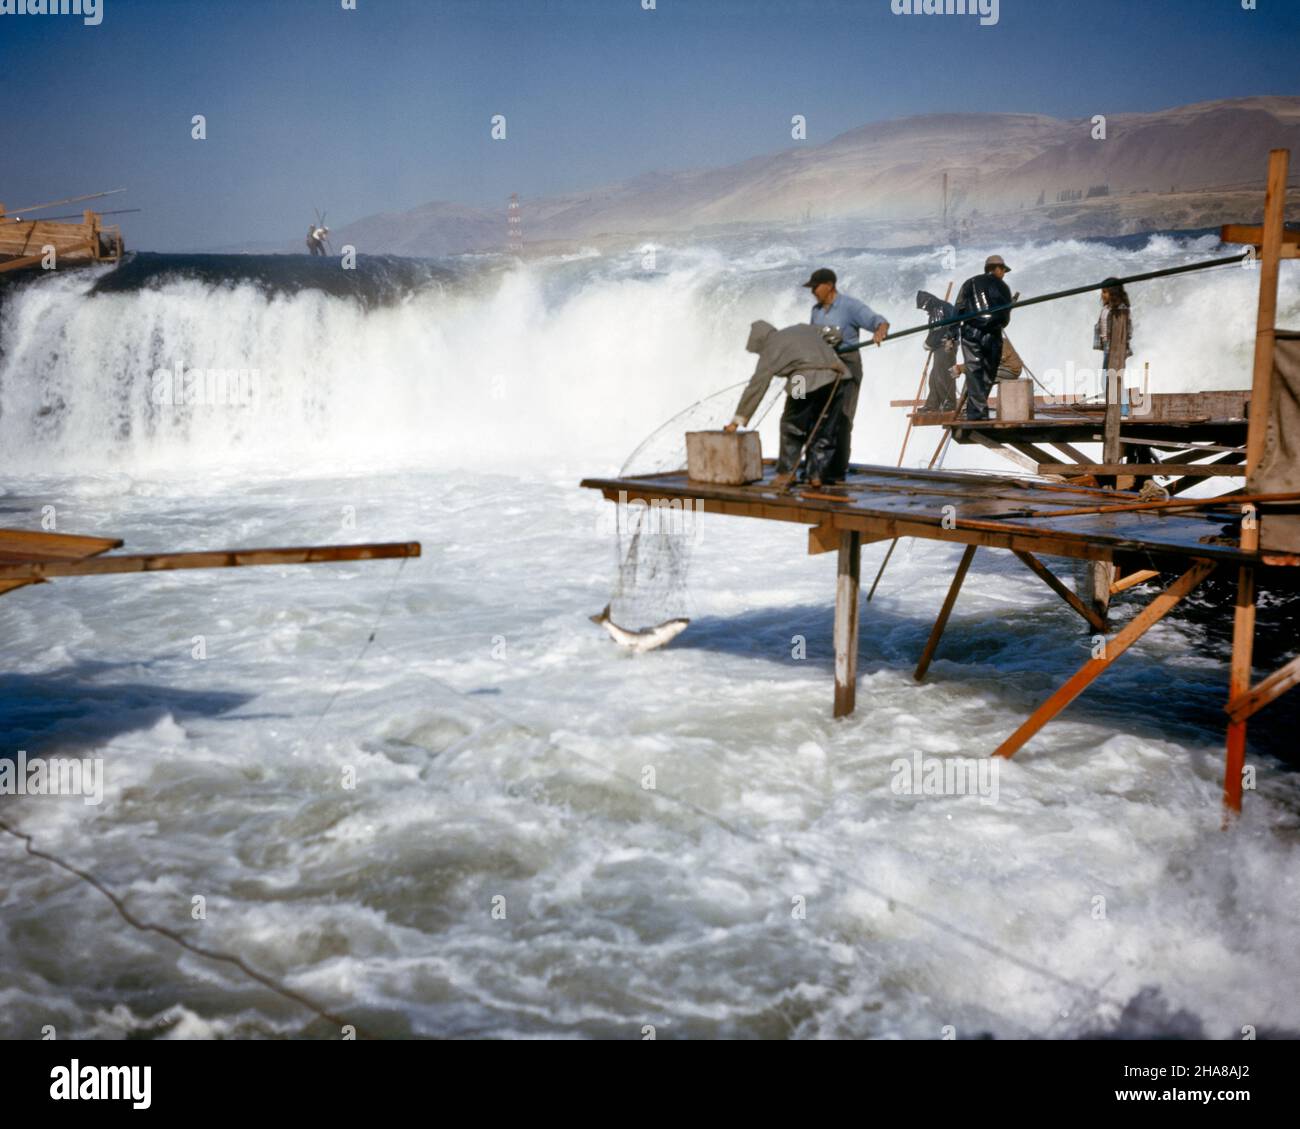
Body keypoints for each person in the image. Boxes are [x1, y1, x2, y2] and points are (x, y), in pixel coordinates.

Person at [723, 320, 849, 488]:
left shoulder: (770, 347)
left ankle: (786, 474)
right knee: (825, 428)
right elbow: (835, 333)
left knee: (792, 424)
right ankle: (816, 475)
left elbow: (757, 386)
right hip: (836, 376)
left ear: (760, 341)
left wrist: (737, 421)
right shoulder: (802, 328)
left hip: (801, 379)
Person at [805, 268, 889, 481]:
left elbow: (878, 321)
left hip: (847, 366)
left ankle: (838, 470)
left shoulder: (850, 306)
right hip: (823, 368)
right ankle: (818, 467)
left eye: (816, 287)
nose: (813, 291)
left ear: (829, 285)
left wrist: (880, 331)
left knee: (842, 417)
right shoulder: (815, 311)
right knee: (820, 416)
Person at [953, 254, 1013, 420]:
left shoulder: (969, 283)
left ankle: (976, 412)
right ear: (996, 269)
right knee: (988, 374)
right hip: (993, 335)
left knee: (974, 373)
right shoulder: (1004, 288)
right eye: (1003, 270)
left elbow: (958, 310)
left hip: (971, 333)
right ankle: (977, 412)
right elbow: (1006, 318)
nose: (1004, 273)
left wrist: (952, 334)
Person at [916, 289, 959, 411]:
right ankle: (933, 404)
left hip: (945, 345)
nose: (925, 310)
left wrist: (928, 343)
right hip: (944, 344)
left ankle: (949, 403)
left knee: (944, 374)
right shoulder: (941, 307)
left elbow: (937, 331)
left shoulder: (939, 309)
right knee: (935, 375)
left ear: (929, 301)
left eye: (924, 307)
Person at [1095, 276, 1134, 379]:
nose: (1102, 295)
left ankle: (1118, 395)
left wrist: (1119, 348)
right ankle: (1115, 394)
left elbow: (1126, 330)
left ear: (1113, 293)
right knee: (1108, 379)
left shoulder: (1121, 310)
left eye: (1105, 292)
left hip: (1115, 349)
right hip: (1107, 347)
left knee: (1110, 380)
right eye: (1102, 292)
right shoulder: (1107, 308)